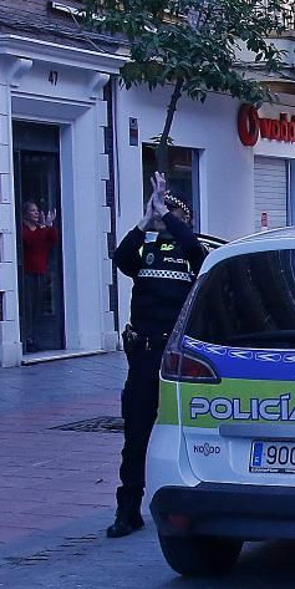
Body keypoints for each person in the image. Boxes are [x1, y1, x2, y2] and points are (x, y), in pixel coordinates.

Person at [108, 173, 206, 538]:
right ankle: (127, 510)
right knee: (135, 434)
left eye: (176, 217)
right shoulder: (146, 253)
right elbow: (120, 257)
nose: (168, 223)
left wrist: (166, 215)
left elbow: (194, 249)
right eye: (165, 217)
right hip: (145, 355)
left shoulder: (194, 255)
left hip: (176, 358)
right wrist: (145, 222)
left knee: (180, 432)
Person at [18, 201, 59, 354]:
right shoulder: (23, 229)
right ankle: (27, 338)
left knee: (37, 306)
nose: (37, 213)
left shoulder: (41, 229)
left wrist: (48, 225)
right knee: (28, 306)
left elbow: (53, 238)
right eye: (33, 211)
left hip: (41, 271)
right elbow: (31, 241)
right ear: (26, 213)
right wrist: (44, 227)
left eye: (37, 211)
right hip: (28, 272)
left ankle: (34, 336)